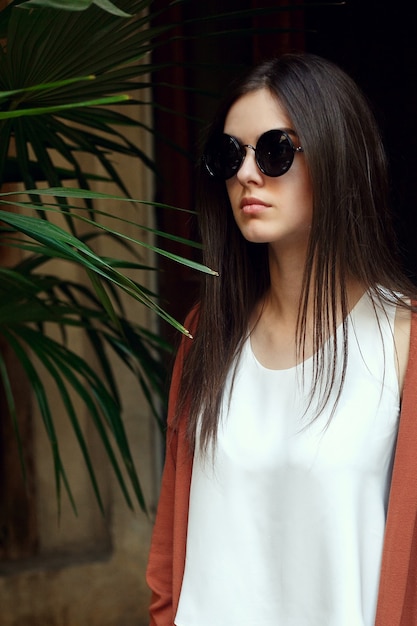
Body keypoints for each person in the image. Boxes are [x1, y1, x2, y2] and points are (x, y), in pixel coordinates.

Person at [146, 53, 417, 626]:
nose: (247, 174)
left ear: (338, 158)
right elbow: (171, 559)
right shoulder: (205, 334)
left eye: (274, 151)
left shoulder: (402, 340)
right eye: (229, 155)